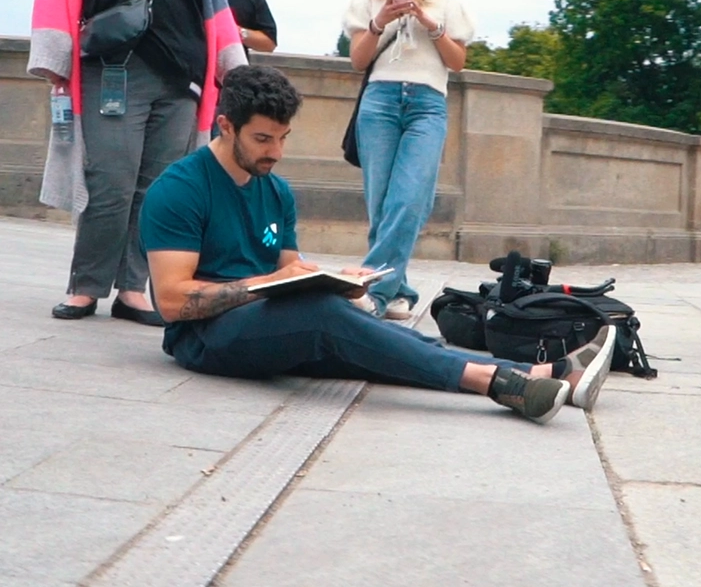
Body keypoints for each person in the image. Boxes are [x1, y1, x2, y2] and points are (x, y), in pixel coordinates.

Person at [140, 65, 616, 424]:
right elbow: (173, 301)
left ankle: (547, 373)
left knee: (374, 335)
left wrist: (333, 282)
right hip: (204, 339)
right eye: (263, 139)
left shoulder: (276, 189)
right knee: (327, 320)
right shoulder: (181, 188)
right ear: (225, 126)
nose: (276, 152)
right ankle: (494, 382)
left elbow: (287, 270)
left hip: (267, 324)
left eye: (283, 138)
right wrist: (273, 283)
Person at [27, 0, 246, 326]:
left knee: (159, 188)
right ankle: (86, 286)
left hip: (183, 81)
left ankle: (132, 287)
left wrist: (231, 68)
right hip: (113, 70)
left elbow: (213, 5)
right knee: (110, 181)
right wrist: (54, 54)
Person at [343, 0, 471, 320]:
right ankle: (399, 290)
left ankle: (374, 293)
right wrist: (381, 21)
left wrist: (429, 24)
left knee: (410, 199)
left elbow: (458, 63)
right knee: (382, 204)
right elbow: (358, 60)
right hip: (380, 100)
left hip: (427, 102)